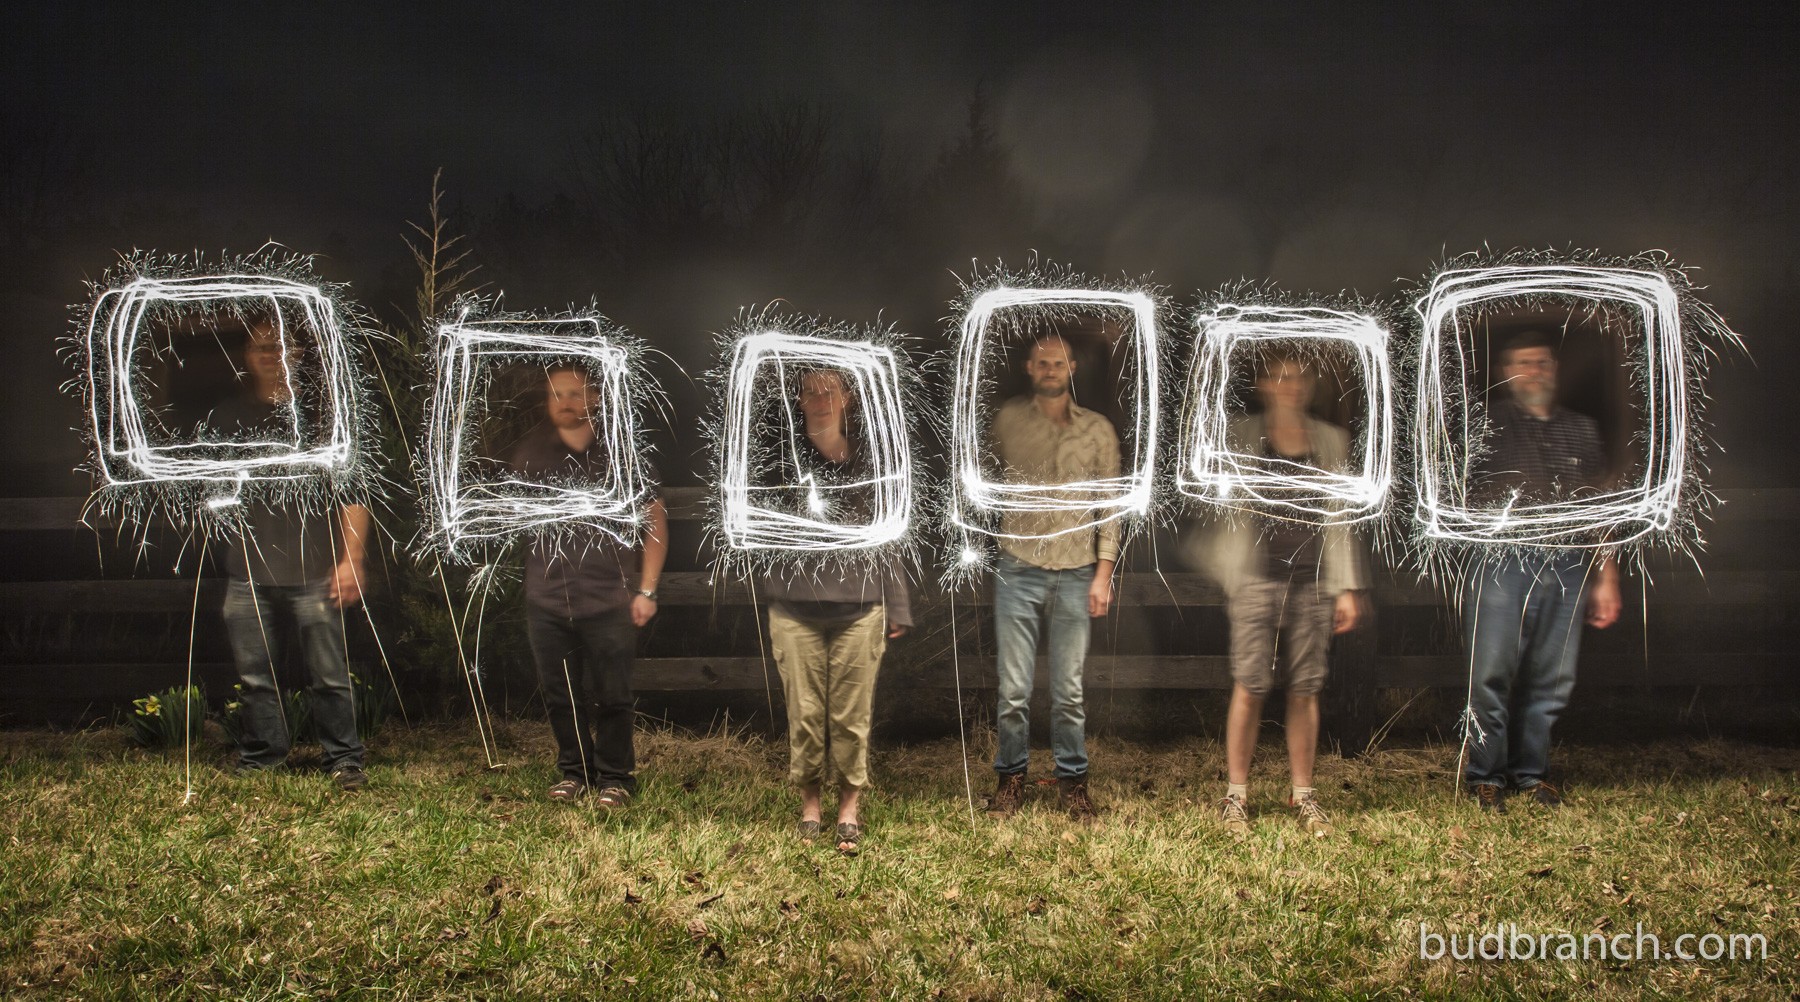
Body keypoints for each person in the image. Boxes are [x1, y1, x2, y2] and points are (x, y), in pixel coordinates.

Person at [1188, 352, 1367, 837]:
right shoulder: (1239, 436)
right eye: (1279, 377)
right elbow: (1214, 497)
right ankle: (1236, 796)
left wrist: (1346, 586)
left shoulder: (1331, 440)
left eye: (1299, 377)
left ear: (1310, 385)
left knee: (1305, 689)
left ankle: (1303, 794)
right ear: (1263, 384)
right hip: (1256, 578)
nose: (1290, 385)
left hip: (1313, 581)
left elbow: (1340, 517)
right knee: (1249, 685)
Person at [1462, 330, 1620, 812]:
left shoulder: (1582, 430)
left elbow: (1600, 509)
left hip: (1568, 564)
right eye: (1523, 362)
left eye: (1542, 362)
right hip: (1501, 562)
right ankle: (1485, 776)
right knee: (1490, 673)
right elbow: (1456, 493)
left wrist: (1607, 576)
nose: (1534, 371)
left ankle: (1532, 775)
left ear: (1555, 370)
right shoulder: (1485, 426)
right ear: (1504, 373)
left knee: (1553, 679)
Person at [212, 318, 373, 790]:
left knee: (329, 674)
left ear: (298, 354)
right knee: (255, 677)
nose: (271, 353)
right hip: (247, 570)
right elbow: (215, 491)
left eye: (280, 344)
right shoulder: (228, 418)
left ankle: (343, 759)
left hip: (316, 570)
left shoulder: (323, 417)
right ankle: (262, 758)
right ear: (245, 357)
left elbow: (353, 492)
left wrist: (352, 559)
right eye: (260, 346)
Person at [756, 368, 911, 855]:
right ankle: (810, 806)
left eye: (830, 390)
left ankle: (848, 809)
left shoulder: (872, 460)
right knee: (803, 714)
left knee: (851, 716)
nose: (820, 398)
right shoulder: (780, 461)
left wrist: (897, 603)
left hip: (860, 609)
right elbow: (760, 527)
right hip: (794, 608)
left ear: (848, 398)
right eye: (810, 391)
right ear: (799, 401)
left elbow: (888, 535)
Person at [508, 363, 668, 809]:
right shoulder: (530, 455)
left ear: (594, 398)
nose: (565, 402)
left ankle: (615, 778)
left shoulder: (622, 455)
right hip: (546, 601)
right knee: (560, 694)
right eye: (556, 394)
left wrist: (647, 590)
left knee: (613, 695)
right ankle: (574, 772)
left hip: (608, 601)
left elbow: (655, 520)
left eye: (574, 393)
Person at [985, 333, 1120, 821]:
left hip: (1076, 571)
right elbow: (982, 478)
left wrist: (1103, 573)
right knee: (1013, 690)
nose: (1049, 369)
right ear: (1029, 367)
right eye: (1041, 362)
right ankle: (1010, 780)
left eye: (1058, 362)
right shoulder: (1007, 421)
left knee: (1069, 691)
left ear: (1072, 368)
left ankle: (1073, 783)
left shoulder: (1098, 431)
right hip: (1017, 567)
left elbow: (1111, 508)